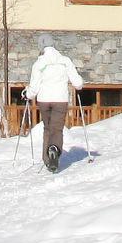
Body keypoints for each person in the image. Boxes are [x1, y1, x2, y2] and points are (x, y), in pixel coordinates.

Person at [25, 44, 85, 172]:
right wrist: (79, 82)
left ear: (42, 49)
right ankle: (54, 148)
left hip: (44, 100)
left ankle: (47, 159)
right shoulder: (65, 61)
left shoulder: (39, 64)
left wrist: (27, 94)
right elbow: (78, 84)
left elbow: (33, 89)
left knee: (47, 128)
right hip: (60, 99)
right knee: (57, 129)